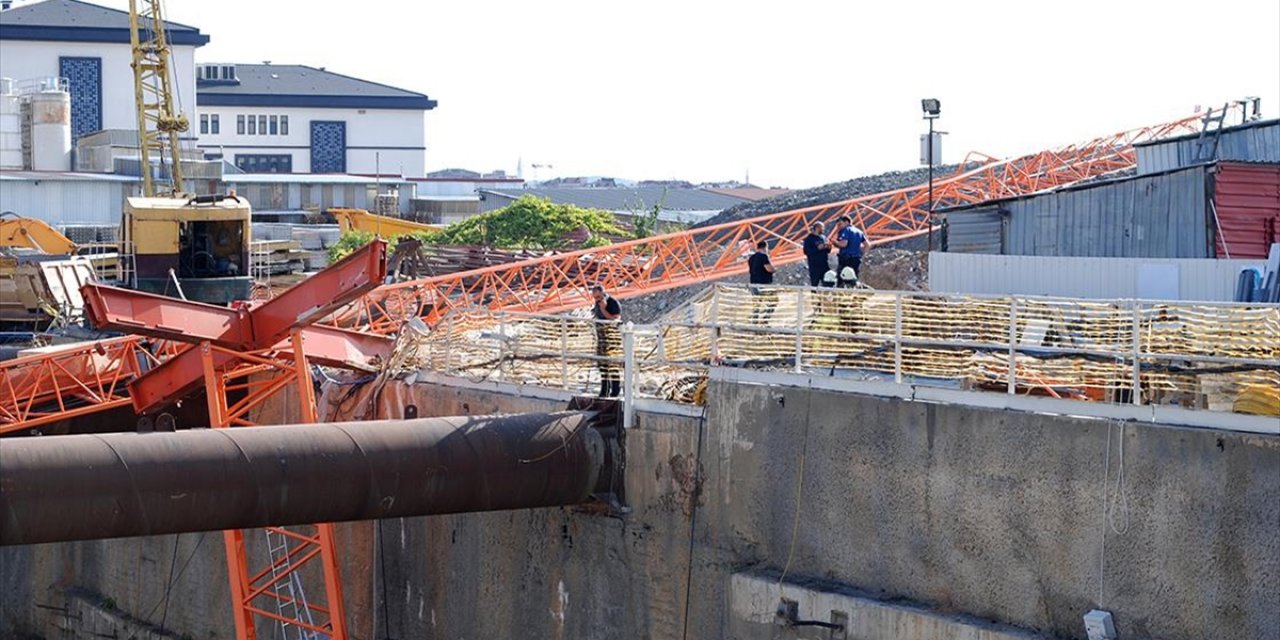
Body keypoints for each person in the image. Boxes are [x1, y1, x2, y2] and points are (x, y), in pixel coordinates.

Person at [591, 284, 622, 398]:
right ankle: (604, 390)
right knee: (602, 364)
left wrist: (604, 309)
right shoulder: (597, 304)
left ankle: (615, 390)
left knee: (612, 363)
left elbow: (615, 319)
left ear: (603, 294)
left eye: (599, 297)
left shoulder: (613, 303)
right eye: (595, 298)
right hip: (601, 337)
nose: (597, 300)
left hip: (611, 337)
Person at [747, 240, 776, 324]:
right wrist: (774, 270)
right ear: (765, 247)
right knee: (773, 301)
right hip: (764, 284)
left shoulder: (751, 258)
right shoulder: (764, 256)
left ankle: (754, 322)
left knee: (756, 303)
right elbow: (768, 268)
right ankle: (765, 319)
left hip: (753, 283)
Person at [802, 221, 831, 287]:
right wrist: (817, 248)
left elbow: (828, 250)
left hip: (824, 264)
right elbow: (806, 251)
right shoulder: (809, 239)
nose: (823, 229)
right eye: (822, 228)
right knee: (815, 283)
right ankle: (814, 295)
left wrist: (827, 247)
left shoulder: (823, 237)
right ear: (817, 228)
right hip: (814, 265)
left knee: (827, 282)